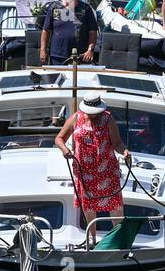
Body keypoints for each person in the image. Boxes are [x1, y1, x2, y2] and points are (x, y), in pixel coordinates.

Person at [55, 94, 130, 236]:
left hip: (107, 168)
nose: (93, 115)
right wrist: (65, 150)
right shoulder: (76, 118)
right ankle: (92, 237)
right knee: (88, 205)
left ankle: (119, 236)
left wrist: (124, 151)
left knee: (114, 203)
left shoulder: (108, 118)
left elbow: (117, 143)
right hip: (84, 170)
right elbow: (59, 138)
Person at [41, 0, 99, 64]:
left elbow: (93, 32)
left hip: (80, 55)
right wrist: (43, 50)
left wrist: (90, 50)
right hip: (57, 56)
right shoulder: (54, 7)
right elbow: (46, 30)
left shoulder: (86, 9)